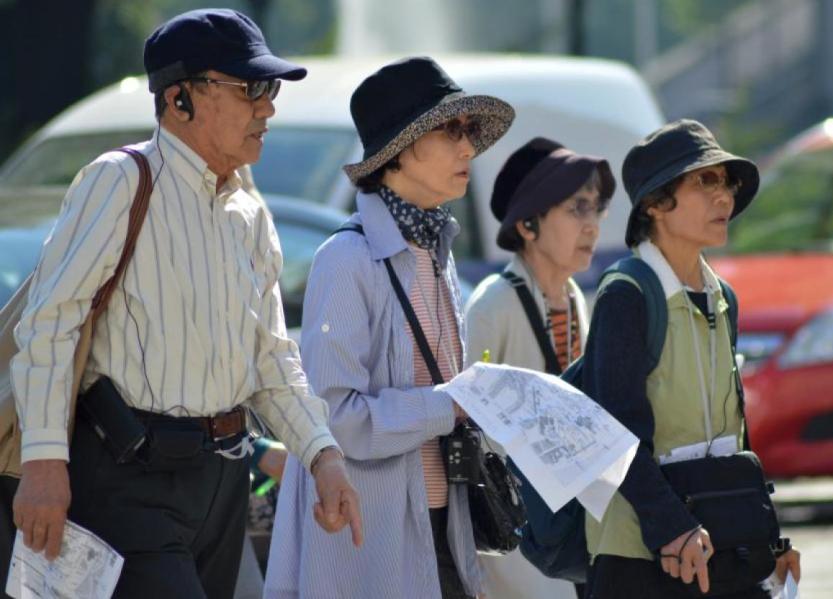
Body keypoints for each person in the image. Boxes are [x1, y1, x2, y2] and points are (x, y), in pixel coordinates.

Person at [9, 9, 361, 599]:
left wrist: (321, 454)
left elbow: (272, 354)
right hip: (127, 477)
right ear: (179, 100)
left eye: (269, 89)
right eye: (250, 88)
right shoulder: (119, 180)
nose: (267, 108)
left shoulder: (249, 212)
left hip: (223, 484)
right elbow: (51, 323)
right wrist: (44, 462)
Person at [265, 56, 514, 599]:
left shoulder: (437, 249)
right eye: (452, 130)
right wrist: (451, 404)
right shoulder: (347, 259)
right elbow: (336, 419)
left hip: (446, 527)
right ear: (400, 148)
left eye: (470, 131)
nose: (468, 148)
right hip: (371, 544)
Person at [581, 119, 801, 598]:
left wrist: (767, 537)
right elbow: (614, 433)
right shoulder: (627, 293)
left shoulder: (723, 297)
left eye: (727, 183)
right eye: (704, 181)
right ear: (657, 204)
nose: (723, 197)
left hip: (719, 547)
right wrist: (671, 530)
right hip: (641, 557)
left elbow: (732, 432)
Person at [464, 137, 615, 599]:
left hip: (567, 515)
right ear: (528, 225)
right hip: (515, 525)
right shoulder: (493, 303)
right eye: (576, 209)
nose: (591, 225)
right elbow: (471, 426)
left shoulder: (574, 298)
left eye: (596, 209)